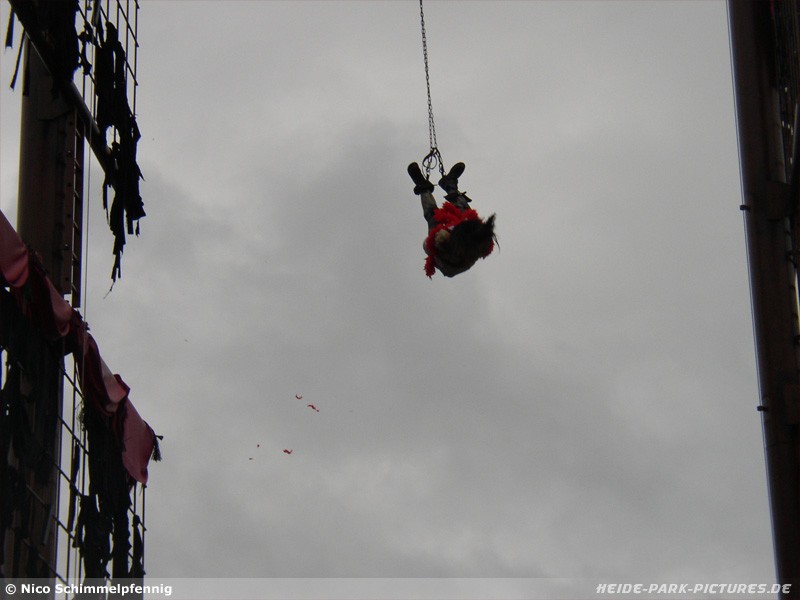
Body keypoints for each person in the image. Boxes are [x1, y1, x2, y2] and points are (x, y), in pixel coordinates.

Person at [407, 161, 496, 278]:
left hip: (445, 254)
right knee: (465, 211)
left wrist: (437, 241)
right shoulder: (480, 235)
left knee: (433, 215)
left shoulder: (442, 244)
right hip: (466, 238)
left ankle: (423, 187)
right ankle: (449, 184)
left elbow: (427, 245)